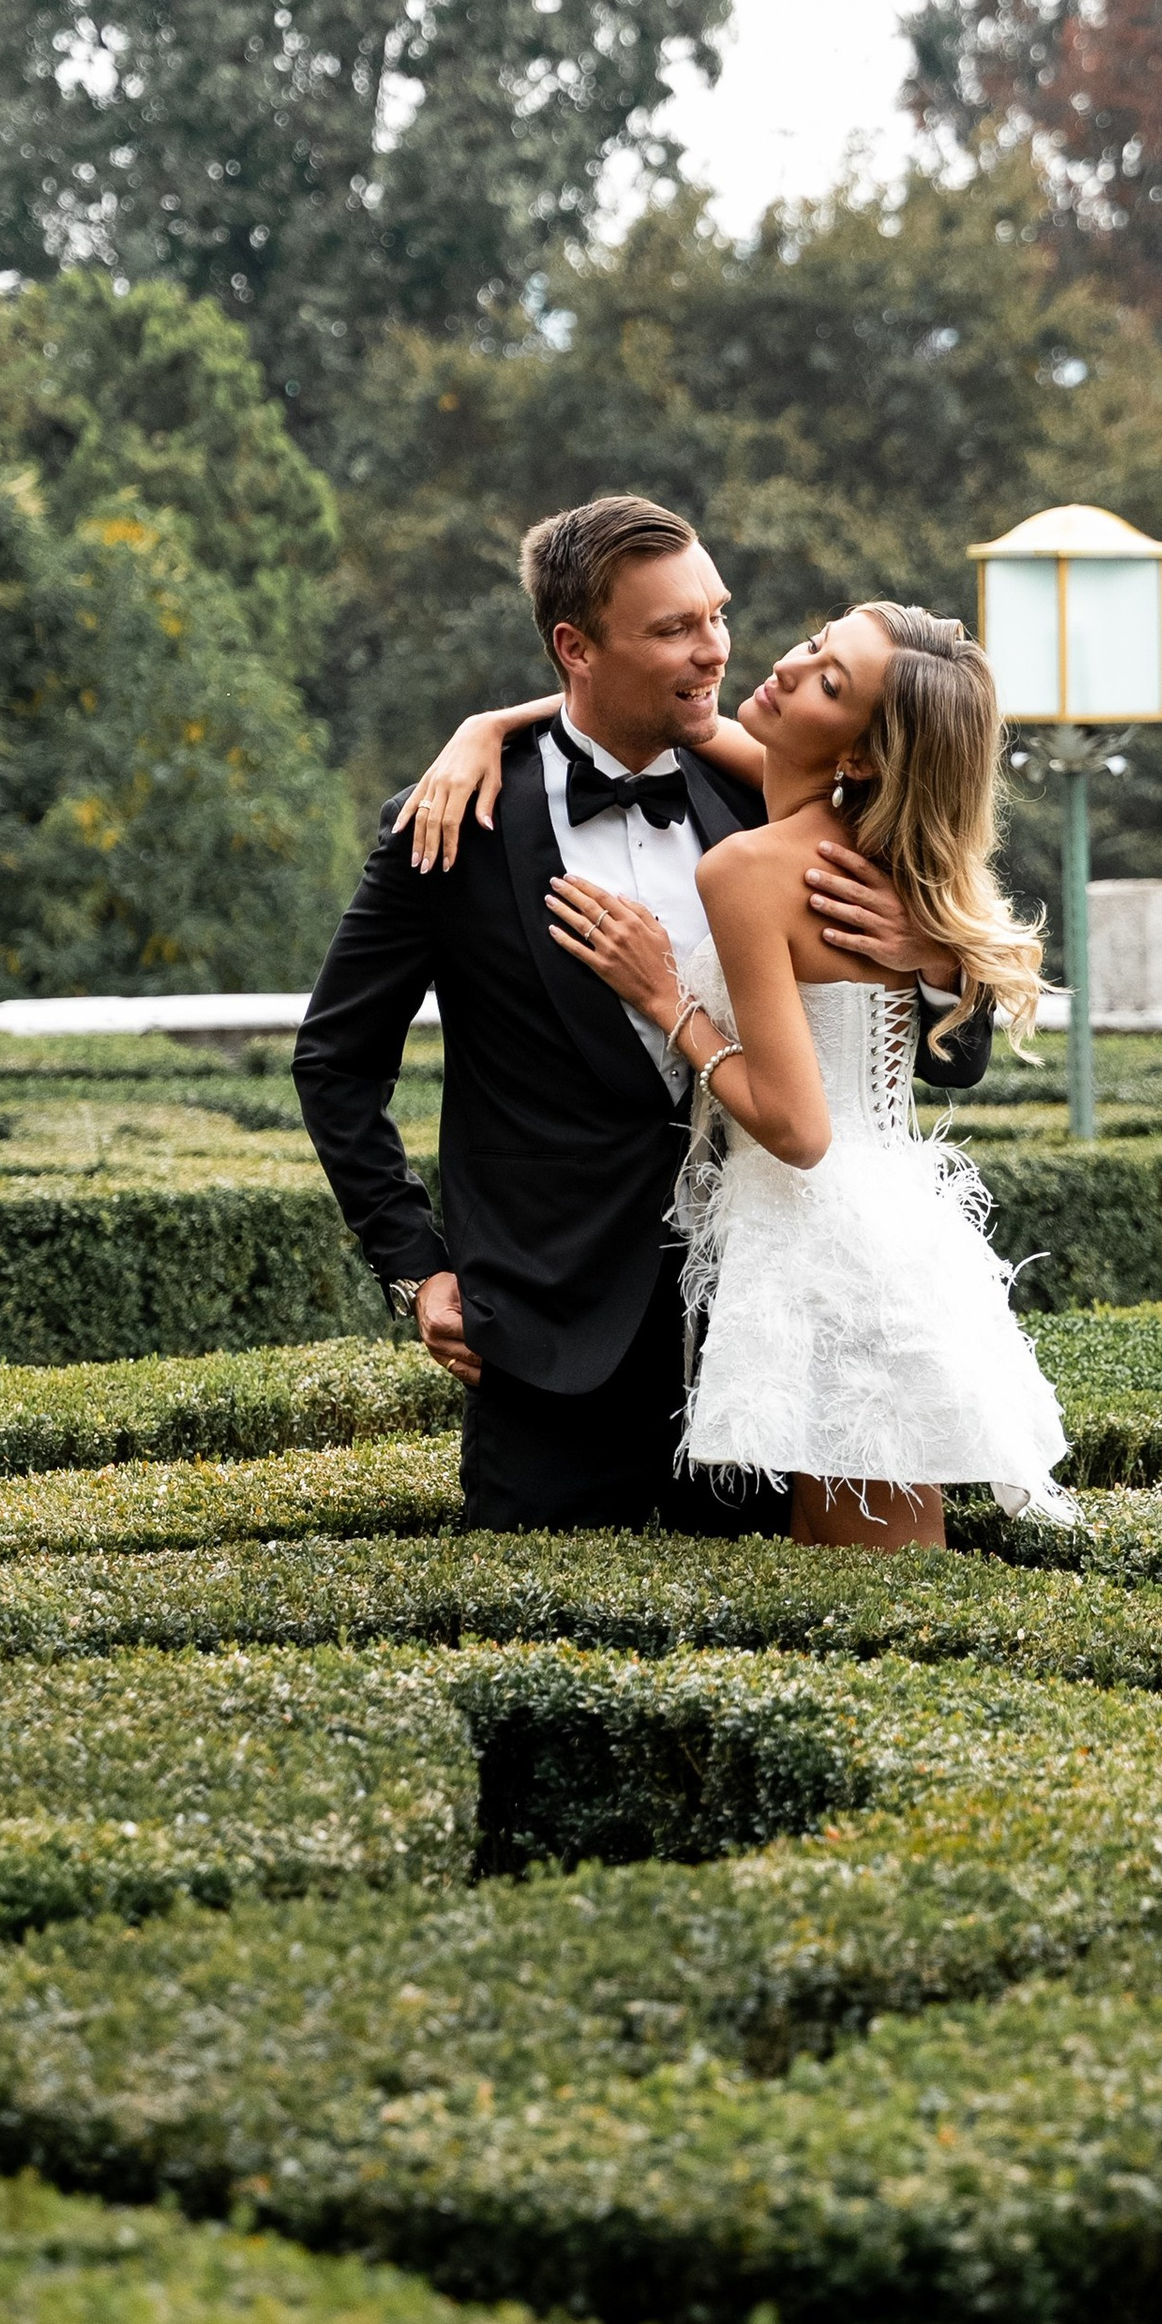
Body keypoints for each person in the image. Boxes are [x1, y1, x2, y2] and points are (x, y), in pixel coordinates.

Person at [291, 494, 999, 1533]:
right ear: (573, 646)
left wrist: (930, 957)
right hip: (543, 1338)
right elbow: (335, 1064)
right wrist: (415, 1269)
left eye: (715, 614)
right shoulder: (451, 824)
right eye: (673, 629)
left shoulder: (776, 794)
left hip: (768, 1331)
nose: (715, 649)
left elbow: (953, 1056)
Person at [412, 596, 1072, 1551]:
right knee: (863, 1567)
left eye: (830, 679)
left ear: (860, 755)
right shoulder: (847, 827)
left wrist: (670, 1001)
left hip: (821, 1239)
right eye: (815, 644)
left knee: (875, 1590)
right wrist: (483, 728)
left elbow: (800, 1132)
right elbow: (610, 718)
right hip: (880, 1225)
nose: (790, 666)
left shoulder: (753, 865)